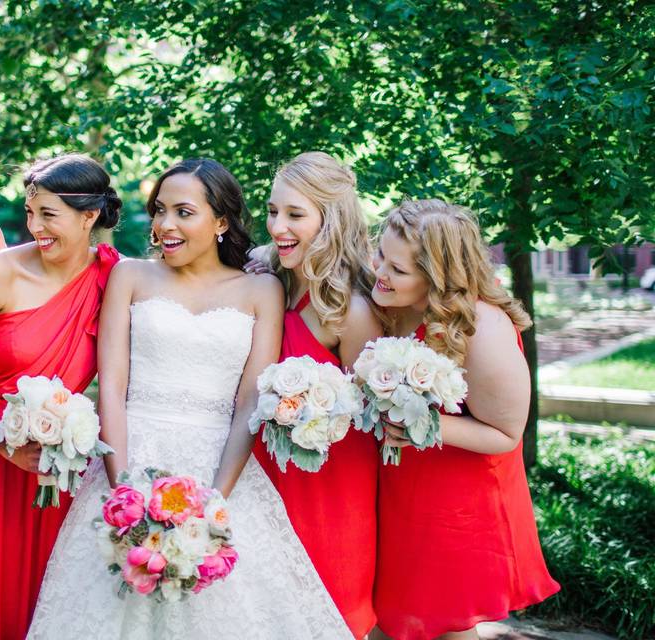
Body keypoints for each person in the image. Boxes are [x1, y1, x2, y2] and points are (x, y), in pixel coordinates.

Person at [28, 158, 353, 639]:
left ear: (221, 222)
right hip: (130, 460)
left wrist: (217, 502)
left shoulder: (261, 289)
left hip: (221, 469)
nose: (165, 225)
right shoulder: (131, 276)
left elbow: (249, 403)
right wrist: (126, 494)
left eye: (184, 212)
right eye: (160, 211)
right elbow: (112, 389)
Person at [0, 154, 121, 640]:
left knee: (46, 606)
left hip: (58, 467)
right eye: (30, 213)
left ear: (89, 215)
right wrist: (5, 442)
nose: (34, 226)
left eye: (48, 215)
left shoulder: (114, 279)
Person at [370, 199, 559, 640]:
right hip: (401, 491)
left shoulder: (483, 327)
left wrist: (428, 427)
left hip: (457, 502)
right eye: (381, 256)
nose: (380, 271)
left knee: (446, 626)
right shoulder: (395, 301)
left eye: (397, 270)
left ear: (438, 277)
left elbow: (507, 433)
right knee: (391, 622)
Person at [251, 152, 382, 639]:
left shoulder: (352, 308)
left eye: (294, 215)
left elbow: (374, 415)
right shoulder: (269, 279)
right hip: (263, 479)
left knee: (325, 614)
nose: (278, 226)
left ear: (332, 220)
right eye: (272, 211)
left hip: (329, 491)